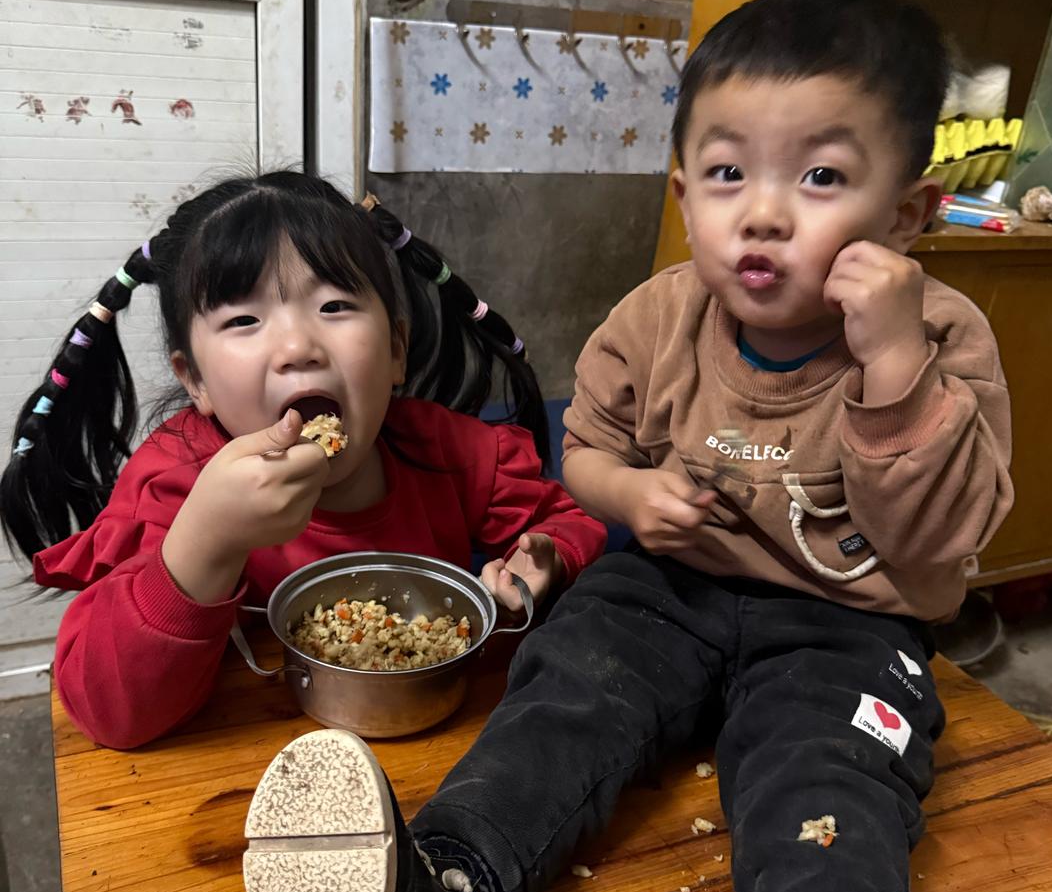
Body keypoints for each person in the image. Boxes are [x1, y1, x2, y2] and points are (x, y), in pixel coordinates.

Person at [239, 0, 1013, 892]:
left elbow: (939, 548)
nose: (765, 215)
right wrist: (632, 501)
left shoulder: (946, 339)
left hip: (847, 627)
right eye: (729, 173)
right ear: (686, 193)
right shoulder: (656, 318)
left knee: (829, 781)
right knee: (565, 695)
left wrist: (896, 363)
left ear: (907, 214)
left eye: (822, 177)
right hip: (663, 588)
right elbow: (586, 454)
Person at [0, 171, 606, 751]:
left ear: (396, 351)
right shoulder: (175, 484)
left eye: (335, 306)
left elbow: (568, 523)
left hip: (443, 747)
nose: (296, 348)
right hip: (241, 767)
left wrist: (543, 561)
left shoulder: (452, 453)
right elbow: (107, 712)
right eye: (243, 320)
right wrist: (205, 542)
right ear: (196, 382)